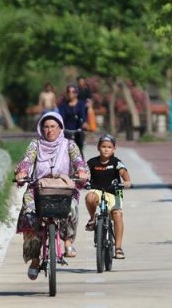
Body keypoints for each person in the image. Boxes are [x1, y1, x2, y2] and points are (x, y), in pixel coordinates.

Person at [14, 112, 89, 280]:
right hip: (38, 189)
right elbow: (26, 160)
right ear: (41, 129)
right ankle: (35, 260)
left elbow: (79, 161)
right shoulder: (35, 144)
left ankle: (68, 242)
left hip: (63, 188)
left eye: (53, 126)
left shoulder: (69, 145)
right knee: (29, 214)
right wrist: (22, 172)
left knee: (71, 208)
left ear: (60, 128)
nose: (49, 130)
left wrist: (82, 172)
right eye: (46, 127)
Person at [84, 134, 131, 260]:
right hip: (98, 190)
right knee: (90, 197)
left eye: (109, 147)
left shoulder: (116, 162)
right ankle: (92, 219)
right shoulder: (92, 162)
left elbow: (124, 174)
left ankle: (118, 248)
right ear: (98, 148)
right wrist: (83, 178)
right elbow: (85, 173)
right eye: (103, 146)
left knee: (117, 214)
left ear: (114, 149)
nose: (106, 149)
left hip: (114, 191)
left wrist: (126, 182)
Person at [57, 84, 89, 155]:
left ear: (76, 93)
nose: (70, 93)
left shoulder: (81, 104)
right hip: (66, 131)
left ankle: (81, 164)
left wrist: (84, 123)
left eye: (72, 91)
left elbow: (83, 116)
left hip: (78, 131)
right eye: (68, 91)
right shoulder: (63, 105)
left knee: (79, 151)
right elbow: (61, 117)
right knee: (65, 151)